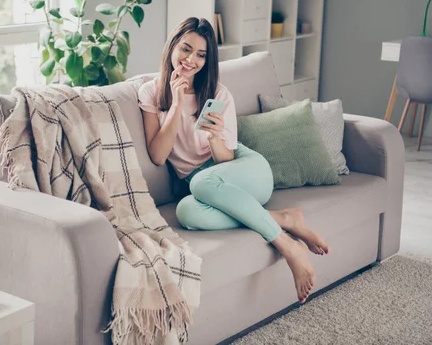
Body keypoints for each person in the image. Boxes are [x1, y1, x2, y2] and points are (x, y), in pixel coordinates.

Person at [137, 17, 330, 304]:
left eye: (201, 55)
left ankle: (287, 245)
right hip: (203, 187)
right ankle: (285, 218)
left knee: (202, 180)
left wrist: (215, 137)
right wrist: (177, 104)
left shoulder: (217, 93)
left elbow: (226, 158)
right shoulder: (151, 92)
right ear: (172, 48)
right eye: (186, 49)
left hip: (243, 170)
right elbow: (158, 155)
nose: (191, 60)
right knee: (186, 212)